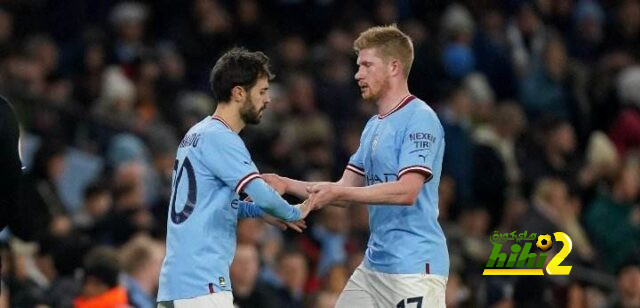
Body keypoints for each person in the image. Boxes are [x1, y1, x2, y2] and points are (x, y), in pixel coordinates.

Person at [265, 25, 449, 307]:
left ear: (394, 67)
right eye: (357, 66)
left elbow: (407, 191)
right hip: (374, 267)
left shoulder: (420, 118)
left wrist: (338, 194)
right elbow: (342, 189)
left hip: (415, 267)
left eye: (366, 65)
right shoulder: (373, 126)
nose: (358, 74)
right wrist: (286, 184)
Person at [157, 47, 312, 307]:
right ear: (239, 92)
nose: (268, 99)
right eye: (262, 91)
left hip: (178, 283)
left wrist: (256, 212)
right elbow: (262, 192)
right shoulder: (222, 138)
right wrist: (295, 211)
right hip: (202, 284)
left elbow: (205, 204)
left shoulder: (196, 134)